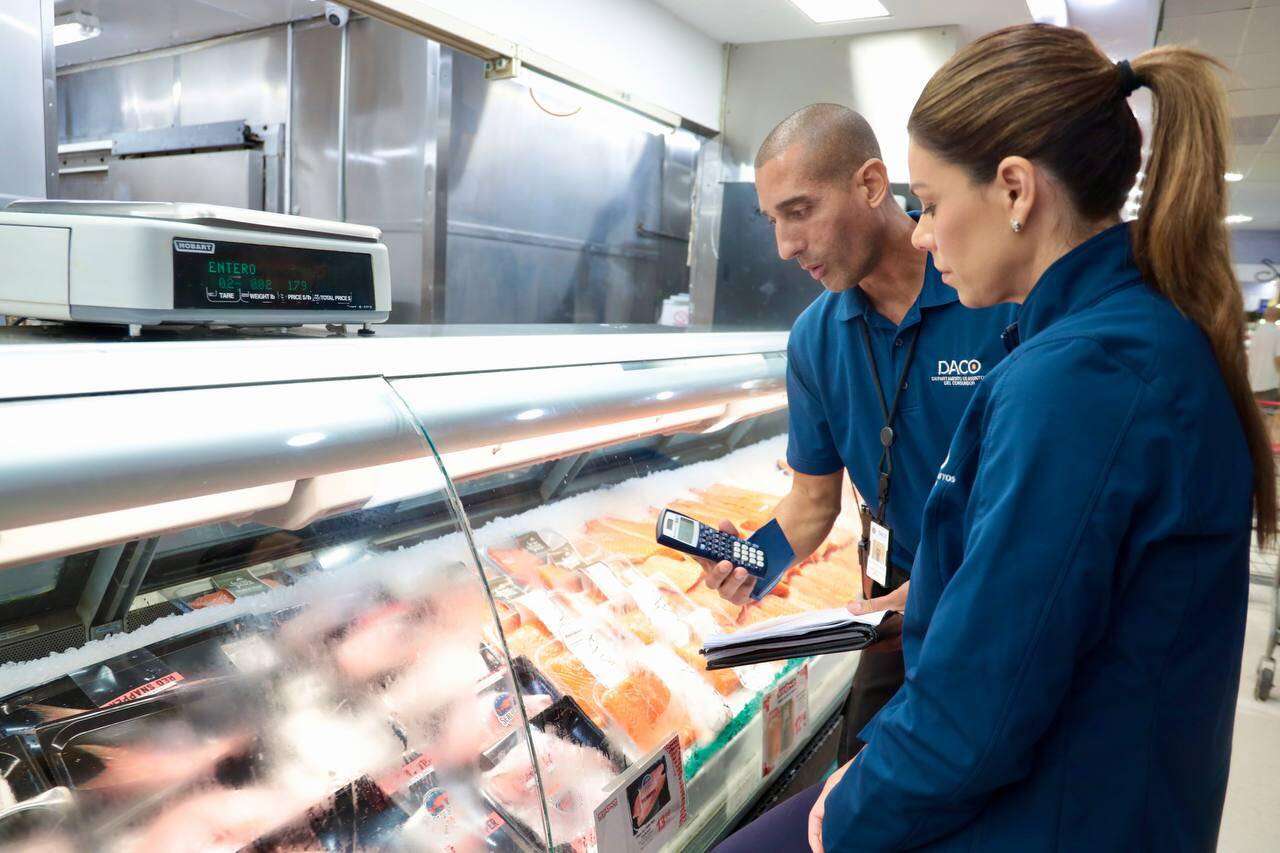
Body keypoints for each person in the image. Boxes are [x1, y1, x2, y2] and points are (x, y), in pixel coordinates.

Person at [720, 23, 1274, 853]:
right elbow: (814, 502)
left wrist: (850, 808)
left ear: (1015, 191)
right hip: (976, 666)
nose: (922, 231)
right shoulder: (1107, 335)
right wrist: (751, 565)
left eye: (934, 203)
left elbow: (982, 707)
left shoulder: (1069, 368)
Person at [698, 103, 1014, 765]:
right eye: (773, 220)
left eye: (799, 210)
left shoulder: (989, 292)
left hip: (1000, 583)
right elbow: (813, 504)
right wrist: (752, 564)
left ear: (871, 185)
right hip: (891, 600)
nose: (784, 246)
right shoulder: (814, 338)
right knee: (860, 775)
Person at [1248, 304, 1280, 402]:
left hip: (1253, 381)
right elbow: (1278, 358)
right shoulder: (1277, 333)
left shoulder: (1257, 332)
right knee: (1267, 414)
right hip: (1269, 383)